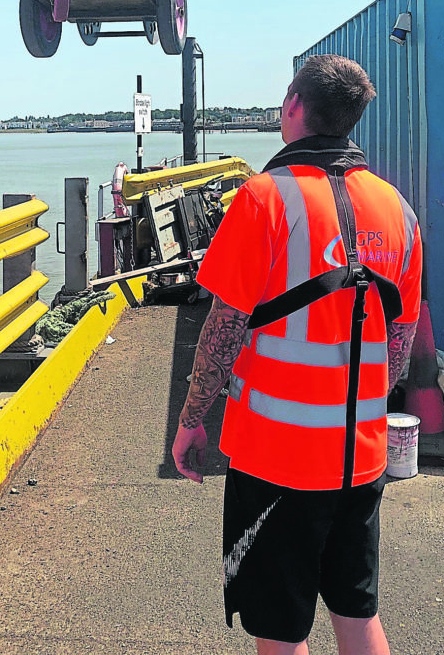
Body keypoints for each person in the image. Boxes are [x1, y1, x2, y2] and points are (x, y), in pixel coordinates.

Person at [172, 55, 422, 655]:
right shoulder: (397, 208)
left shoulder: (263, 199)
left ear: (292, 106)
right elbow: (401, 344)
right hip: (360, 459)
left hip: (276, 460)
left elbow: (223, 329)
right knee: (357, 612)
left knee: (280, 628)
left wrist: (190, 421)